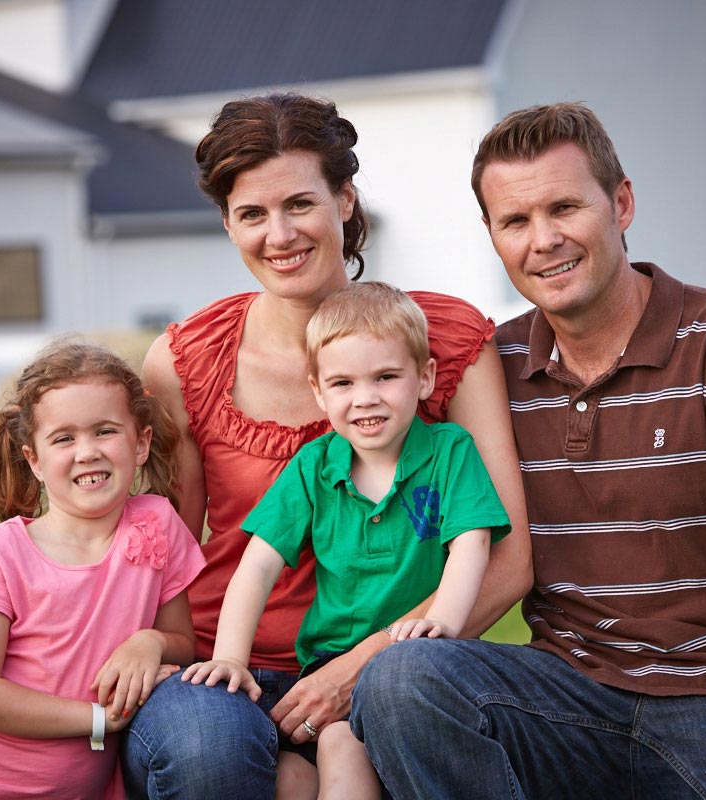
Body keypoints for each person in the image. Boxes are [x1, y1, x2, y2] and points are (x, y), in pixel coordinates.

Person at [351, 103, 706, 800]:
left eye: (565, 207)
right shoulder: (493, 371)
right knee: (403, 679)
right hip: (564, 697)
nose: (545, 240)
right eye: (516, 221)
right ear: (492, 235)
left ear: (621, 202)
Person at [121, 94, 530, 800]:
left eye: (299, 204)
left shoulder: (443, 341)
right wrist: (155, 646)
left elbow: (509, 558)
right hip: (230, 663)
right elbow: (170, 555)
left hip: (392, 656)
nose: (279, 235)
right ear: (227, 224)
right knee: (207, 750)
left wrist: (361, 668)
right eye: (251, 214)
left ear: (345, 199)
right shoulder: (185, 360)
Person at [182, 281, 512, 799]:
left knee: (362, 745)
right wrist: (230, 657)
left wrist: (442, 621)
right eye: (343, 383)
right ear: (318, 391)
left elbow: (472, 544)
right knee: (318, 759)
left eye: (386, 377)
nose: (366, 399)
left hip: (422, 662)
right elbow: (257, 567)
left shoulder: (451, 451)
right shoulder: (314, 467)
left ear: (424, 378)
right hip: (330, 664)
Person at [0, 340, 205, 800]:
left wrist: (148, 641)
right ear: (34, 459)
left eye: (105, 431)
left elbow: (184, 644)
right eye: (64, 438)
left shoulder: (155, 523)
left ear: (141, 442)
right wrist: (97, 719)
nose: (87, 452)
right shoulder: (0, 554)